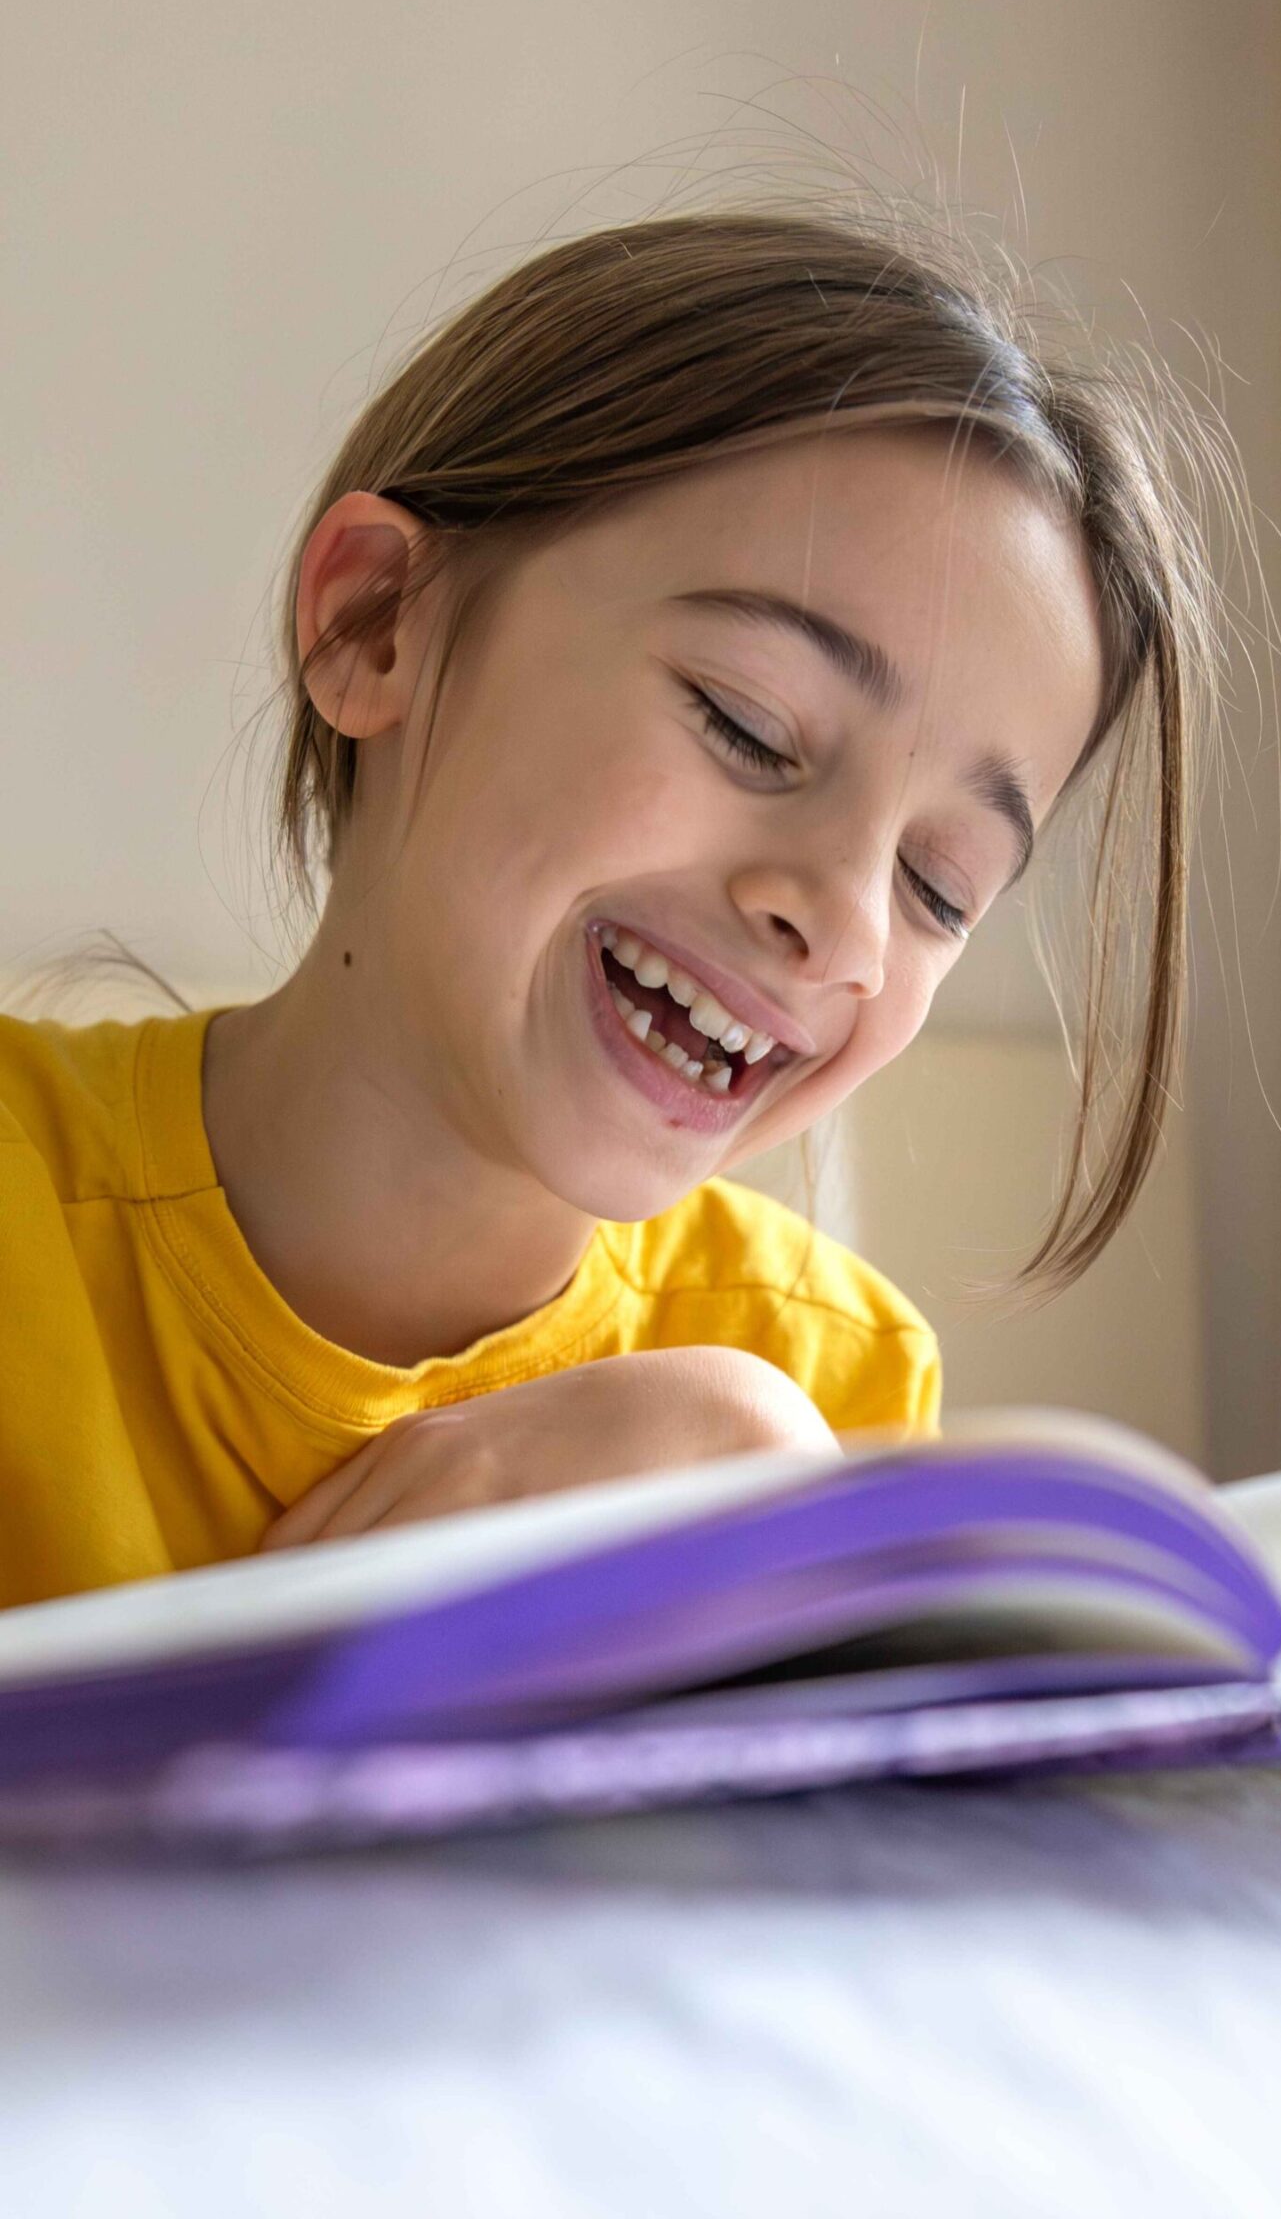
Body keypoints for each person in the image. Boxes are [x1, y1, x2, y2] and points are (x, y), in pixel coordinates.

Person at [0, 206, 1217, 1609]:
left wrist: (765, 1484)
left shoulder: (831, 1388)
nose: (844, 922)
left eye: (939, 885)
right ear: (377, 623)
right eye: (749, 726)